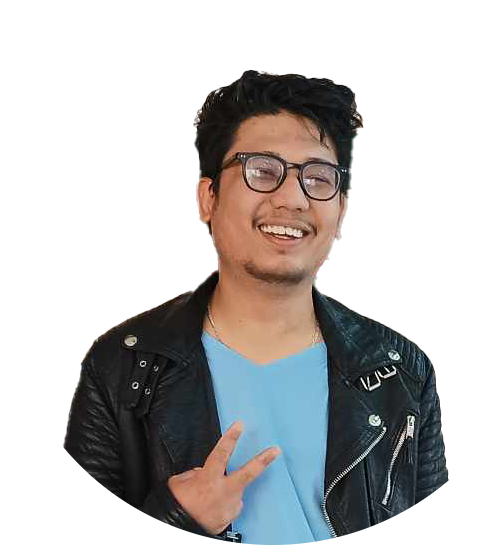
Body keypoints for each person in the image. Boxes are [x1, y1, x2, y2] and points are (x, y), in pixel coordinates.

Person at [64, 69, 448, 543]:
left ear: (340, 212)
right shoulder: (123, 366)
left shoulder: (400, 371)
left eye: (318, 178)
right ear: (208, 198)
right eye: (263, 171)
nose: (293, 198)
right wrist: (177, 517)